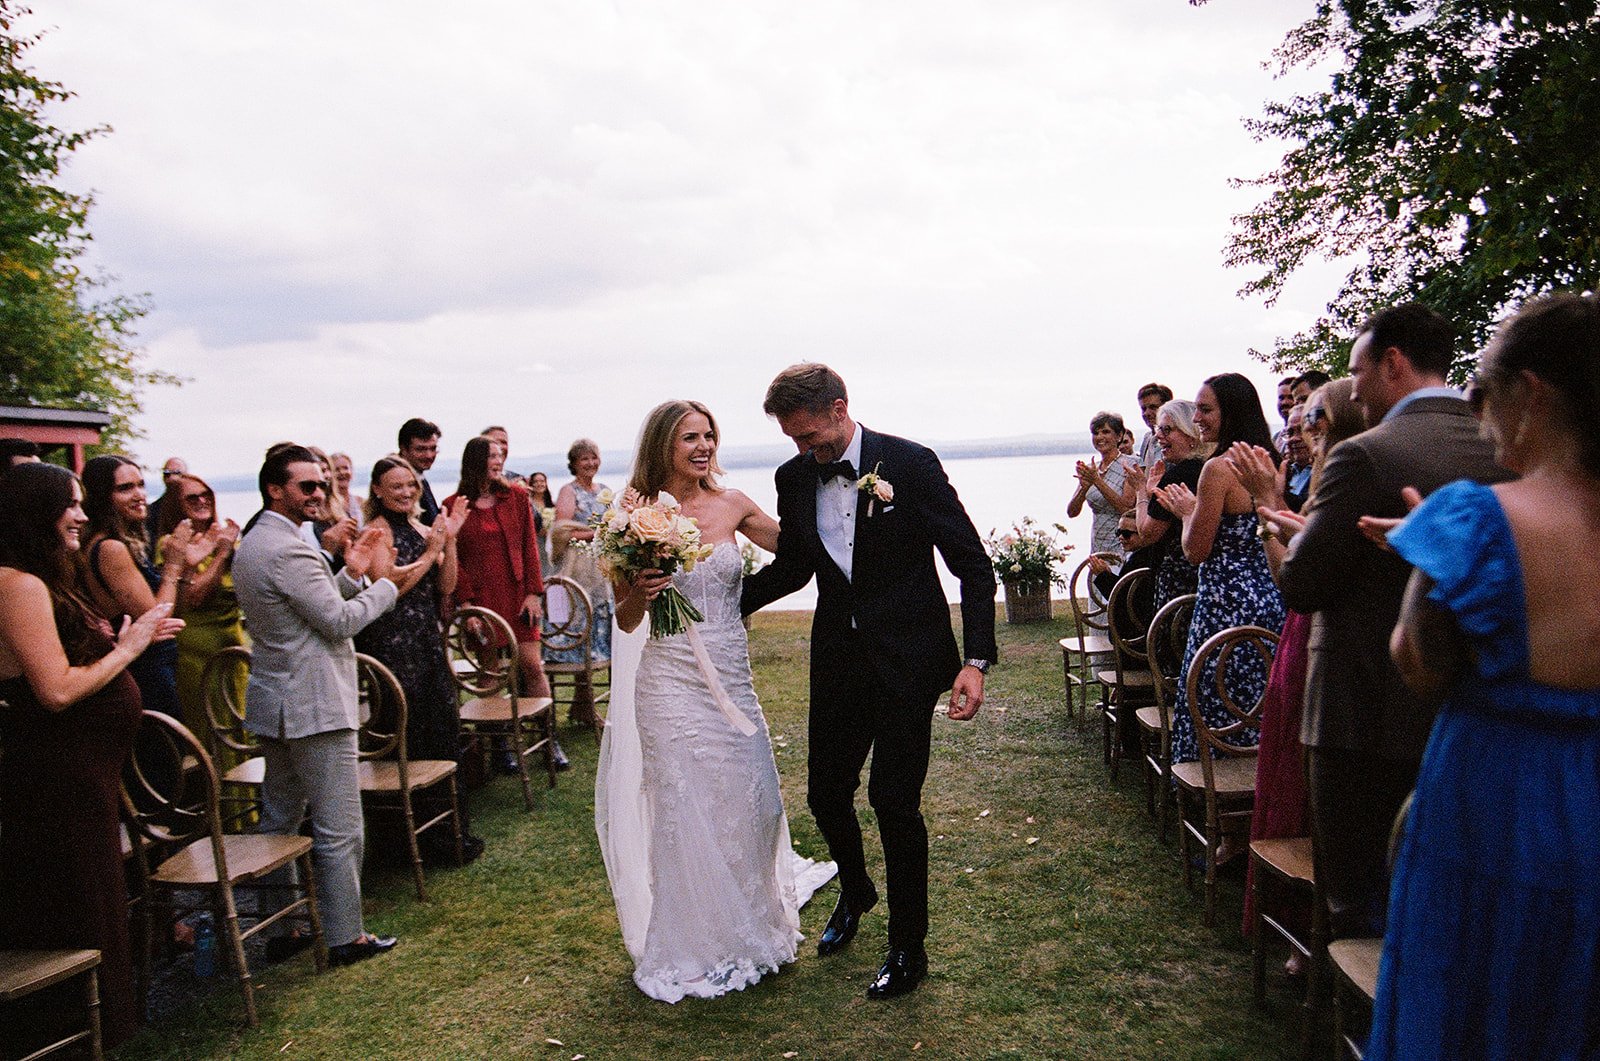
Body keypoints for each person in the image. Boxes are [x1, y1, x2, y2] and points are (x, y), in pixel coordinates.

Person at [1366, 292, 1600, 1060]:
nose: (1479, 412)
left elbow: (1418, 659)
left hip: (1495, 794)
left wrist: (1429, 559)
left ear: (1530, 391)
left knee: (1465, 987)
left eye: (1484, 390)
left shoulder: (1475, 517)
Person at [742, 363, 997, 999]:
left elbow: (972, 563)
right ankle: (855, 889)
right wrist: (723, 600)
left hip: (909, 662)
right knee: (826, 795)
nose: (806, 451)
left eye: (813, 437)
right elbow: (798, 566)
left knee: (893, 800)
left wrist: (976, 659)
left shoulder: (909, 464)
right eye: (794, 441)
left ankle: (908, 947)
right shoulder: (793, 477)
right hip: (837, 660)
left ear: (839, 407)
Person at [1273, 303, 1509, 940]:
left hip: (1360, 709)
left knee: (1357, 901)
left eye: (1357, 370)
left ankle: (1351, 1024)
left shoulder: (1365, 455)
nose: (1351, 388)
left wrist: (1285, 532)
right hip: (1467, 701)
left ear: (1393, 363)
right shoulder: (1500, 446)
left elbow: (1304, 584)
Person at [595, 400, 836, 1002]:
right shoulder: (630, 517)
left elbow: (800, 550)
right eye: (688, 439)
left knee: (753, 803)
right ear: (662, 446)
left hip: (730, 676)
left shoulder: (732, 504)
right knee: (686, 809)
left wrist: (843, 509)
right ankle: (696, 943)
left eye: (709, 437)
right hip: (670, 682)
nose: (702, 448)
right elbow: (624, 621)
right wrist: (643, 593)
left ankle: (754, 928)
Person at [0, 461, 182, 1049]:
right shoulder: (17, 583)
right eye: (70, 505)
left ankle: (102, 1028)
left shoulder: (36, 577)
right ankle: (80, 1032)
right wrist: (127, 649)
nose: (81, 515)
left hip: (84, 774)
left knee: (96, 895)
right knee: (74, 904)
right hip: (55, 774)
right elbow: (54, 690)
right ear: (36, 513)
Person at [232, 444, 401, 967]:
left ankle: (285, 926)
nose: (318, 494)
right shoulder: (288, 549)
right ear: (274, 490)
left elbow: (309, 607)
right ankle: (345, 936)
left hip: (276, 698)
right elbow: (338, 622)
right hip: (313, 703)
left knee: (280, 816)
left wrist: (349, 575)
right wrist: (387, 584)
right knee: (338, 824)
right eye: (306, 486)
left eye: (322, 485)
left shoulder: (257, 541)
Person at [1151, 373, 1285, 785]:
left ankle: (1219, 822)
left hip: (1223, 602)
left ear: (1232, 412)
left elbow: (1196, 551)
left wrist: (1188, 512)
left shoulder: (1218, 469)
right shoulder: (1271, 463)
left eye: (1206, 409)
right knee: (1258, 709)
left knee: (1213, 706)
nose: (1199, 417)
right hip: (1269, 597)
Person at [355, 455, 484, 861]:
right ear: (377, 490)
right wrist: (430, 553)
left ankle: (447, 833)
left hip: (426, 640)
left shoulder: (417, 525)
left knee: (441, 733)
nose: (407, 492)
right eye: (396, 486)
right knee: (407, 737)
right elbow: (385, 585)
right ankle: (405, 843)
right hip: (393, 644)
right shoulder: (375, 531)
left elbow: (445, 586)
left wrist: (450, 541)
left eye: (410, 485)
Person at [445, 436, 563, 761]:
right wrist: (466, 606)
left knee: (531, 665)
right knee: (490, 670)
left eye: (500, 455)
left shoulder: (516, 497)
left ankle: (548, 738)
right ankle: (498, 745)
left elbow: (530, 547)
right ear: (475, 462)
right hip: (482, 599)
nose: (498, 461)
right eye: (491, 456)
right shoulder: (454, 504)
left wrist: (534, 593)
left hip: (517, 595)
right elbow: (456, 560)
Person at [80, 454, 198, 721]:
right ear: (101, 497)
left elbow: (172, 612)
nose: (139, 495)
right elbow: (157, 618)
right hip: (145, 673)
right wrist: (173, 564)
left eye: (141, 485)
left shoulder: (118, 542)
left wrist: (187, 567)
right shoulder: (110, 548)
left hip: (156, 666)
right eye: (125, 488)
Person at [154, 473, 246, 748]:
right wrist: (221, 555)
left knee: (237, 723)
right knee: (210, 729)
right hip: (196, 648)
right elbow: (194, 596)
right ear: (175, 505)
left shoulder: (223, 537)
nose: (202, 501)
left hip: (232, 642)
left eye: (206, 494)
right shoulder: (171, 544)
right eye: (192, 497)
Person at [547, 438, 613, 723]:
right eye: (584, 459)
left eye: (594, 457)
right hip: (576, 568)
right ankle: (583, 705)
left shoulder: (605, 491)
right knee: (577, 626)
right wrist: (596, 533)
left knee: (597, 628)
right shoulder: (568, 491)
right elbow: (562, 530)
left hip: (600, 569)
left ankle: (583, 704)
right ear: (573, 463)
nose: (590, 463)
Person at [1126, 398, 1208, 611]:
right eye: (1157, 429)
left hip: (1178, 581)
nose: (1158, 436)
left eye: (1167, 430)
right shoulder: (1205, 469)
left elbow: (1147, 533)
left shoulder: (1179, 475)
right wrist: (1154, 492)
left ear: (1191, 435)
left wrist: (1140, 490)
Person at [1068, 411, 1137, 557]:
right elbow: (1071, 512)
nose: (1099, 437)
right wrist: (1084, 488)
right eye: (1095, 433)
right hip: (1098, 543)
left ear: (1119, 436)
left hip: (1124, 541)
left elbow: (1127, 508)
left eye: (1105, 432)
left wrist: (1097, 481)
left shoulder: (1131, 464)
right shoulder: (1092, 468)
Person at [398, 417, 443, 525]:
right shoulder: (397, 480)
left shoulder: (419, 476)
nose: (429, 455)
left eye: (433, 449)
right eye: (421, 449)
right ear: (404, 449)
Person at [145, 455, 188, 543]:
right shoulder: (151, 512)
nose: (172, 477)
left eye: (176, 472)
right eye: (167, 473)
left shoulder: (196, 507)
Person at [1135, 383, 1174, 469]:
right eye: (1144, 409)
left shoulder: (1173, 439)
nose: (1147, 413)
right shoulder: (1147, 438)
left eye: (1153, 407)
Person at [329, 452, 364, 525]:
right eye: (337, 469)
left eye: (345, 468)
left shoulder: (361, 502)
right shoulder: (327, 504)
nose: (342, 472)